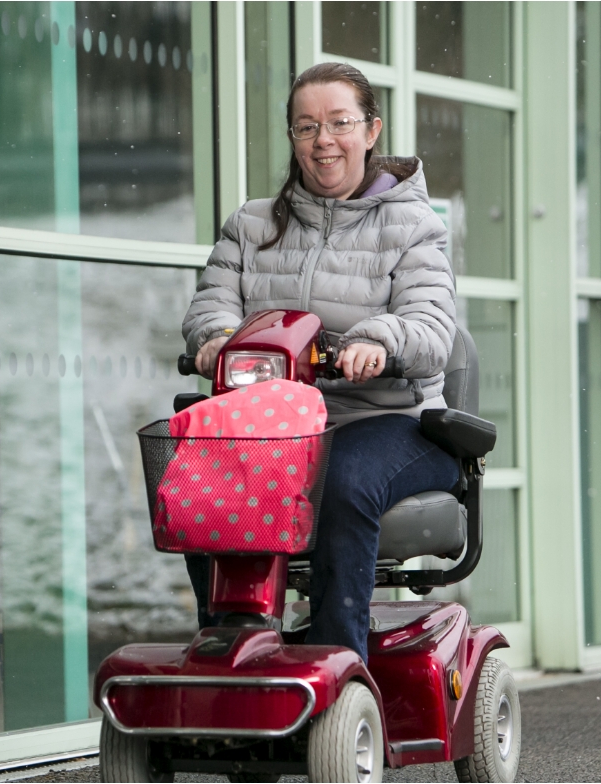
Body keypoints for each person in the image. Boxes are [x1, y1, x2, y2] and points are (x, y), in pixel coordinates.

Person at [181, 62, 459, 663]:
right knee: (199, 479)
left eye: (340, 123)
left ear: (371, 130)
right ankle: (234, 648)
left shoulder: (415, 226)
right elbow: (212, 307)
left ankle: (337, 666)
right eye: (306, 127)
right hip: (274, 423)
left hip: (387, 420)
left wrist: (378, 340)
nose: (323, 140)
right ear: (291, 137)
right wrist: (216, 339)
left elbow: (433, 328)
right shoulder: (251, 225)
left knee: (340, 482)